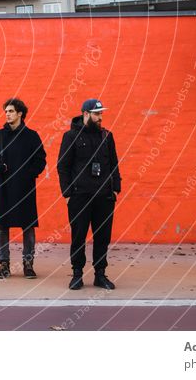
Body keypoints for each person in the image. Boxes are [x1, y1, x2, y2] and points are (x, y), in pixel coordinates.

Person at [56, 98, 122, 290]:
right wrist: (68, 193)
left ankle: (100, 275)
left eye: (101, 113)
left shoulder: (107, 137)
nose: (100, 117)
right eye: (96, 113)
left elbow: (114, 164)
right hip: (80, 197)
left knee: (103, 237)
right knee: (79, 236)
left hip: (104, 197)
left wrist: (115, 188)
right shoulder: (70, 137)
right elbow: (63, 166)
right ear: (86, 114)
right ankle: (77, 274)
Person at [0, 98, 47, 279]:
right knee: (3, 227)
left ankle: (28, 264)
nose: (7, 114)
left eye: (11, 111)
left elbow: (41, 159)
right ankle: (4, 265)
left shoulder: (32, 136)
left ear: (20, 114)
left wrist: (30, 174)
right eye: (6, 112)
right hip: (3, 187)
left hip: (25, 188)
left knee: (28, 226)